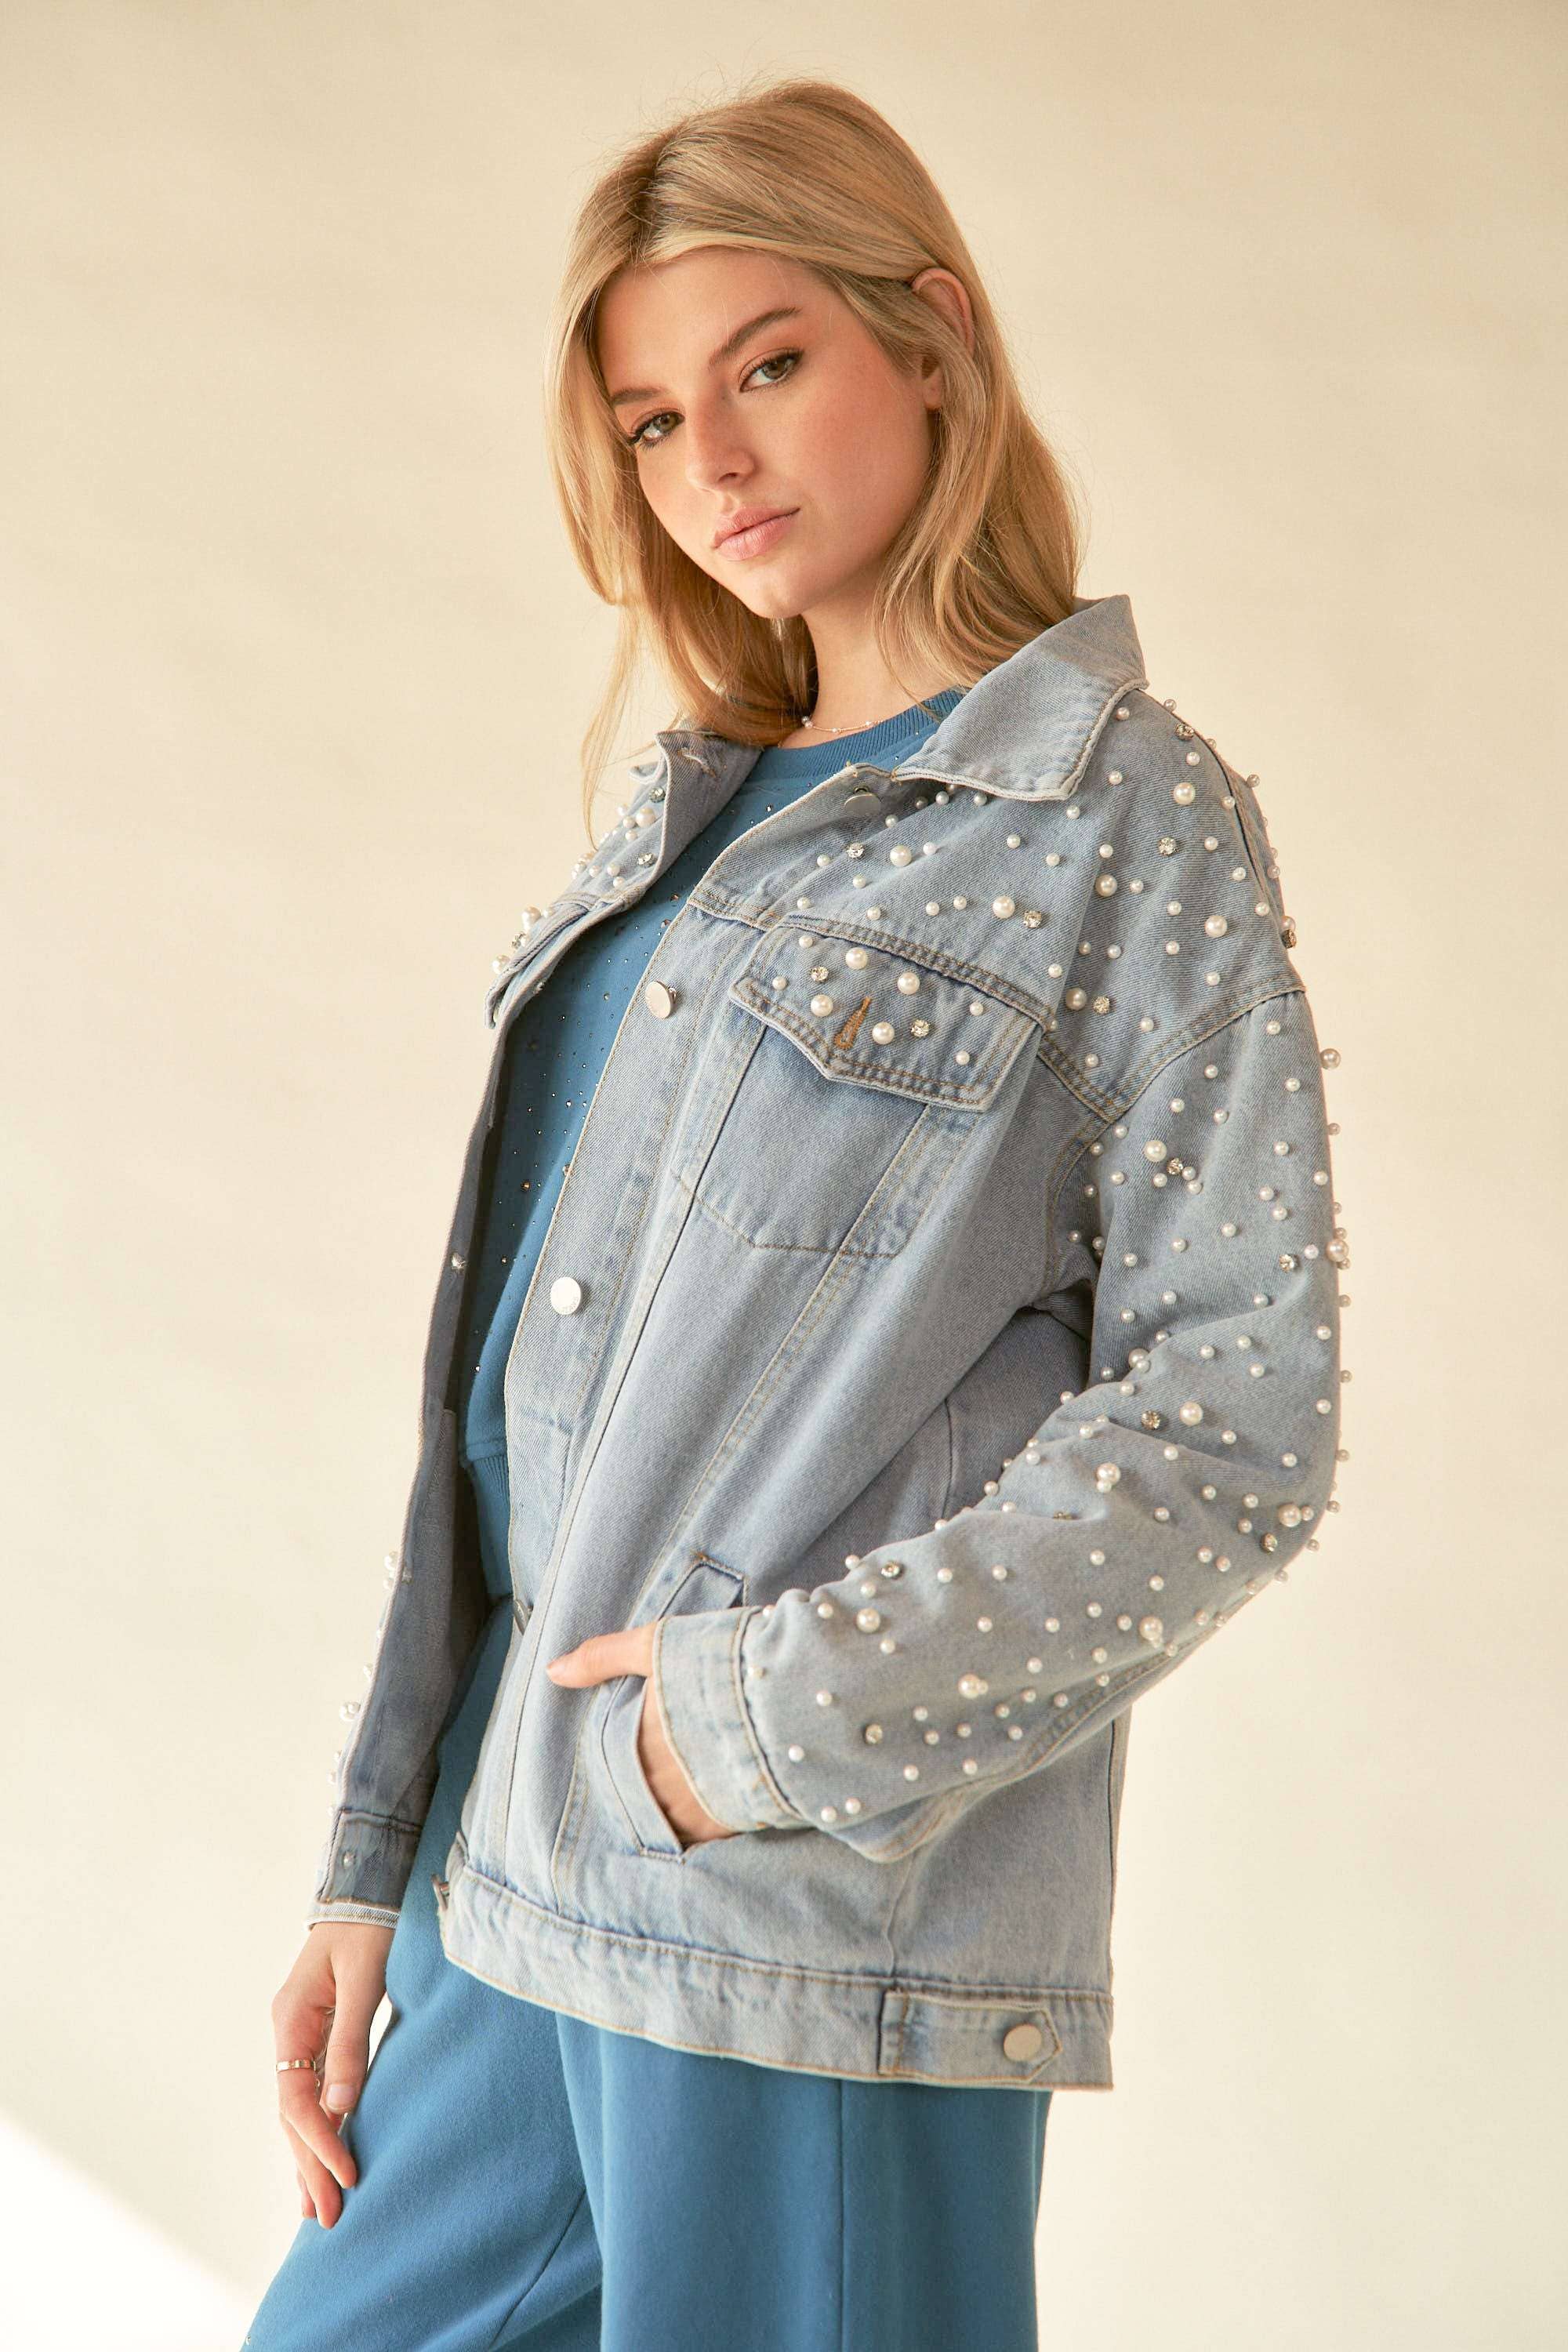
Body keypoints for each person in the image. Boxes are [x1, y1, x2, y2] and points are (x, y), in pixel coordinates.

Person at [243, 71, 1347, 2352]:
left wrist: (751, 1730)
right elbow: (522, 1422)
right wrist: (378, 1857)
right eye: (653, 422)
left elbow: (1239, 1417)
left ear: (932, 336)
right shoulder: (682, 826)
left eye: (768, 366)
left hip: (801, 1914)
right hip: (505, 1879)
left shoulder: (1115, 818)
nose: (713, 461)